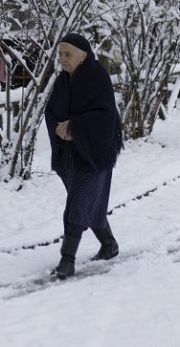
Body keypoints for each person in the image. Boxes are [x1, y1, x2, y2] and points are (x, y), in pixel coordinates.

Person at [44, 32, 123, 279]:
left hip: (95, 153)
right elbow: (51, 111)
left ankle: (67, 260)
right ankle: (109, 245)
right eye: (60, 54)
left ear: (83, 56)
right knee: (91, 202)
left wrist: (74, 128)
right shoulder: (62, 81)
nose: (63, 59)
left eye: (68, 54)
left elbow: (105, 115)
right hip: (69, 155)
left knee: (78, 204)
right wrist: (61, 128)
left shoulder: (97, 77)